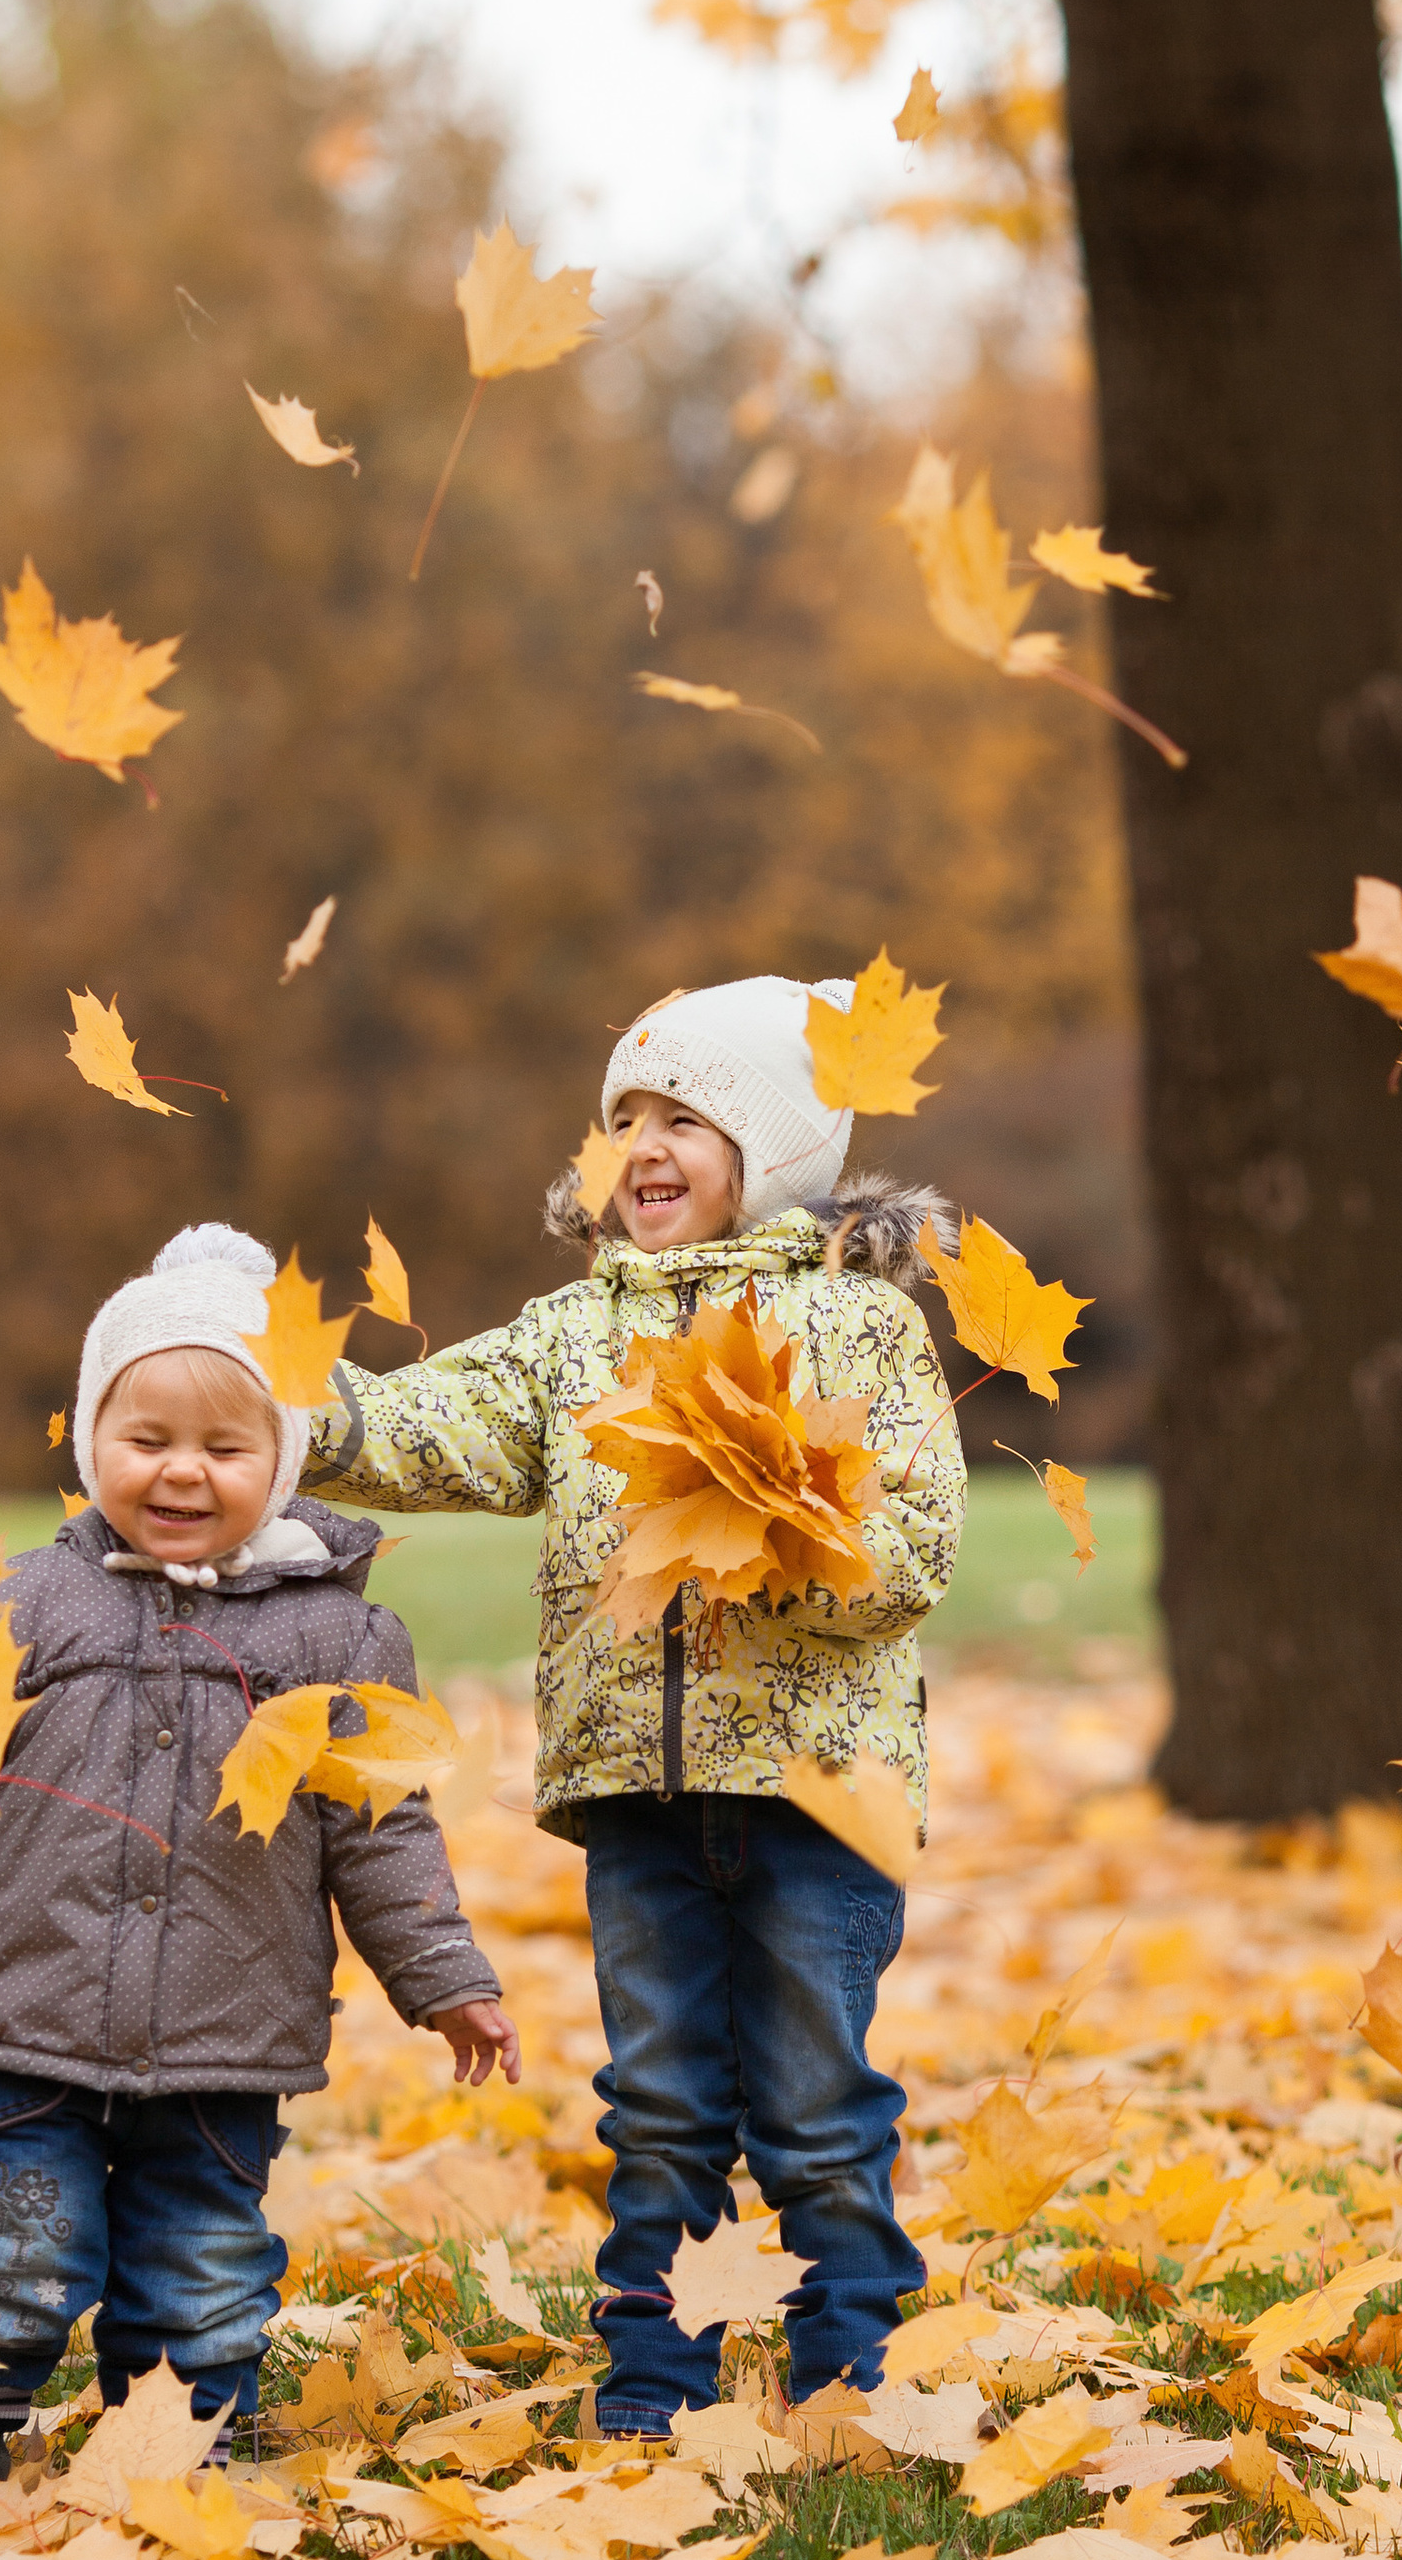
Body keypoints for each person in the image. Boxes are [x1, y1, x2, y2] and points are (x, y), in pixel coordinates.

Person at [0, 1222, 515, 2497]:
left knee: (201, 2264)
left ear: (287, 1457)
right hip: (28, 2016)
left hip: (226, 2027)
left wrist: (443, 1976)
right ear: (92, 1433)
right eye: (146, 1440)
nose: (183, 1473)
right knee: (14, 2253)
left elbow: (384, 1830)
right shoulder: (22, 1606)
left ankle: (182, 2456)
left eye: (225, 1446)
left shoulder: (339, 1634)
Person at [305, 976, 964, 2436]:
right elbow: (426, 1427)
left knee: (811, 2097)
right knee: (660, 2102)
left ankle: (846, 2368)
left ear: (774, 1147)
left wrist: (779, 1538)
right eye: (619, 1121)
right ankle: (652, 2379)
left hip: (813, 1790)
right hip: (635, 1797)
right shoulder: (567, 1340)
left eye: (684, 1118)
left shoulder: (859, 1331)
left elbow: (913, 1553)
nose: (641, 1148)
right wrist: (275, 1405)